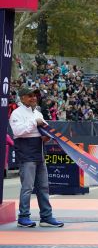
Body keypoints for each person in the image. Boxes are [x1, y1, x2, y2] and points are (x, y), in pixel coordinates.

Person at [9, 86, 64, 228]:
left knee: (44, 187)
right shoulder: (16, 113)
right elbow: (18, 131)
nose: (34, 98)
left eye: (35, 95)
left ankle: (46, 217)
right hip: (26, 155)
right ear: (22, 98)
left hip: (40, 153)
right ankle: (23, 217)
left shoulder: (38, 113)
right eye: (30, 95)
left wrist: (47, 137)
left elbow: (44, 132)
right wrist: (35, 123)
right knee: (27, 187)